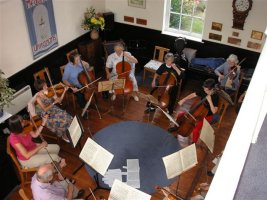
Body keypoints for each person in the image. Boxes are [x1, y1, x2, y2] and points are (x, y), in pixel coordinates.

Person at [170, 79, 219, 143]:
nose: (204, 90)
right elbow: (193, 95)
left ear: (211, 89)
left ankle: (194, 143)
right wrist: (183, 100)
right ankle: (176, 127)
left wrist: (210, 101)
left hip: (207, 116)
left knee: (195, 130)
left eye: (206, 89)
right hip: (196, 112)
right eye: (203, 88)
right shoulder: (203, 90)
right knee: (180, 115)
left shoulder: (215, 97)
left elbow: (214, 111)